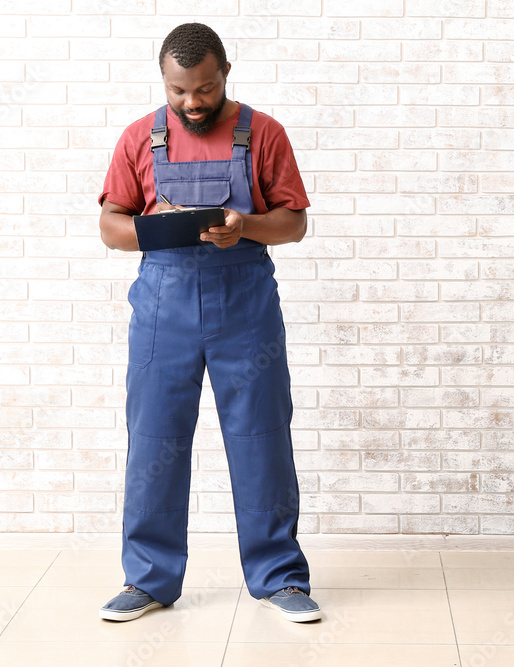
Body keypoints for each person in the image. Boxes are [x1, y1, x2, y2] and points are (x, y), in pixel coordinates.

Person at [95, 22, 320, 623]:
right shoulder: (140, 138)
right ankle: (147, 580)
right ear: (163, 81)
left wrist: (244, 225)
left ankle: (279, 579)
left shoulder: (262, 133)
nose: (193, 102)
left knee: (261, 439)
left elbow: (294, 223)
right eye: (179, 91)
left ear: (225, 74)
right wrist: (159, 227)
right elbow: (110, 226)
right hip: (161, 311)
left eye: (205, 88)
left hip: (245, 307)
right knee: (154, 443)